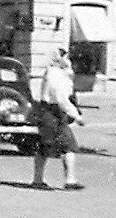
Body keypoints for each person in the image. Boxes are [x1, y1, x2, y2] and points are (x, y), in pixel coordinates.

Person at [32, 51, 85, 190]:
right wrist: (76, 116)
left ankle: (39, 180)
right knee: (67, 146)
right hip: (54, 112)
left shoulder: (52, 73)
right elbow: (61, 99)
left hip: (47, 111)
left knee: (46, 146)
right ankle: (69, 181)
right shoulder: (57, 76)